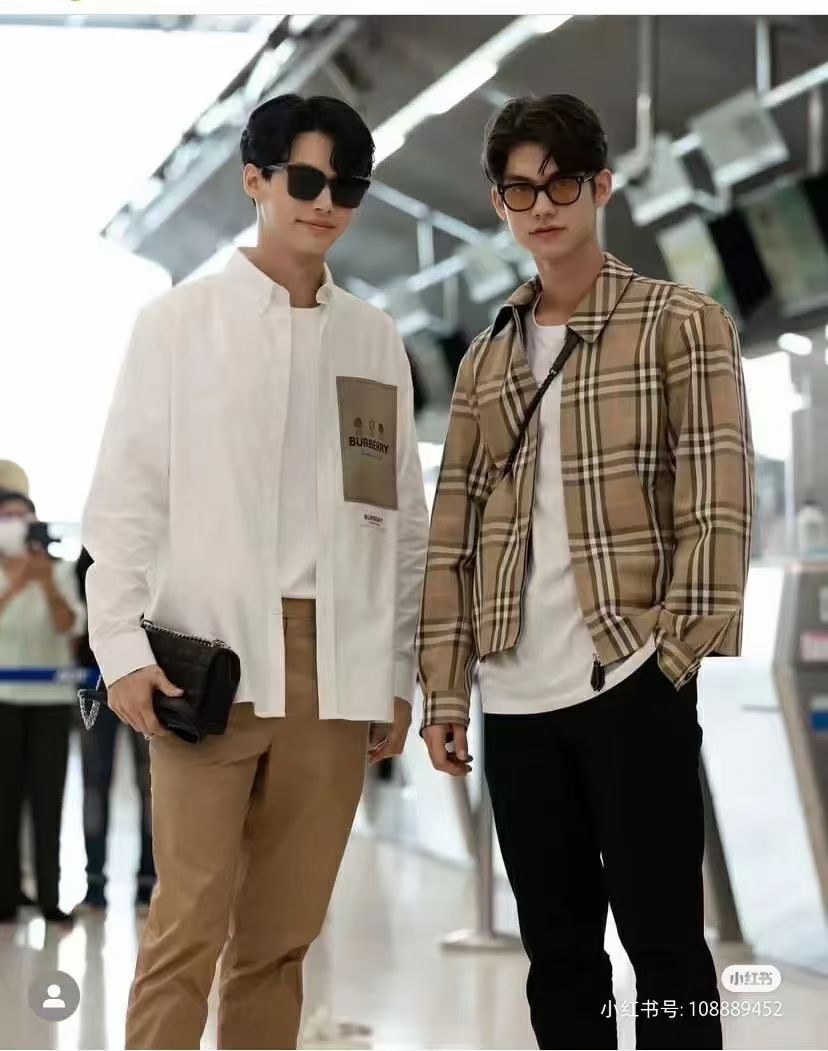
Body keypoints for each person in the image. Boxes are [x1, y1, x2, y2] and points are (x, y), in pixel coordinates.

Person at [81, 94, 428, 1050]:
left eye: (347, 188)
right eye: (306, 180)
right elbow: (126, 500)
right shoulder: (178, 325)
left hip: (333, 669)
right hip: (209, 662)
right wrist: (119, 649)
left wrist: (396, 674)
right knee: (184, 930)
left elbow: (401, 522)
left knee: (280, 941)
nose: (325, 203)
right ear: (255, 180)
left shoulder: (373, 338)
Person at [417, 95, 754, 1051]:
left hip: (630, 675)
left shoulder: (680, 322)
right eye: (520, 190)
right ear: (499, 203)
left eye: (561, 183)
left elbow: (720, 502)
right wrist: (447, 688)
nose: (542, 205)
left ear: (601, 187)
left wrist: (670, 658)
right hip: (516, 694)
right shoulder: (486, 358)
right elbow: (454, 535)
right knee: (559, 956)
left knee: (666, 945)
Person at [0, 461, 86, 926]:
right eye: (7, 517)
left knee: (48, 798)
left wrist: (46, 581)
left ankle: (50, 894)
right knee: (5, 799)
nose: (16, 525)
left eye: (24, 517)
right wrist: (15, 584)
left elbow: (70, 627)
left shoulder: (60, 571)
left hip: (51, 701)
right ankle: (6, 894)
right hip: (3, 700)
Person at [74, 547, 156, 913]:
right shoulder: (93, 550)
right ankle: (94, 881)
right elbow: (83, 609)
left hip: (147, 677)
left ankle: (148, 880)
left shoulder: (152, 543)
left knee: (151, 784)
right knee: (95, 782)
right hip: (96, 679)